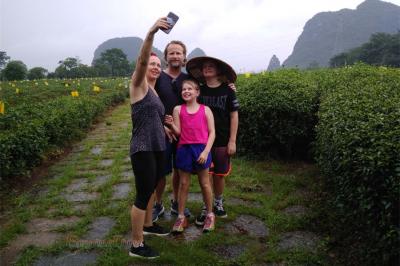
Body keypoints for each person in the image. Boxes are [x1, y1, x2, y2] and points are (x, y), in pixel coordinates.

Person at [128, 17, 170, 259]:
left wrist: (168, 127)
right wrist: (152, 32)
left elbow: (155, 119)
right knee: (143, 194)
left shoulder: (153, 91)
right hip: (142, 148)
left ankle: (148, 225)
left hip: (156, 146)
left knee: (153, 187)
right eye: (151, 63)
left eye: (158, 64)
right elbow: (142, 59)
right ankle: (136, 244)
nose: (155, 67)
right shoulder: (138, 85)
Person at [186, 56, 239, 225]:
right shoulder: (199, 91)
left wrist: (232, 140)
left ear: (218, 71)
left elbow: (234, 115)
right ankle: (206, 205)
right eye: (205, 67)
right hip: (203, 140)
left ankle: (218, 201)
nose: (207, 68)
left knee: (219, 175)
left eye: (211, 66)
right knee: (206, 175)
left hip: (223, 140)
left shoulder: (228, 91)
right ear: (201, 72)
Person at [164, 79, 216, 233]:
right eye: (183, 89)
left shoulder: (205, 110)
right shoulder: (178, 109)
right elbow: (178, 133)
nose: (186, 91)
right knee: (183, 184)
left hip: (201, 149)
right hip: (184, 149)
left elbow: (212, 132)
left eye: (190, 89)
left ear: (197, 92)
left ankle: (210, 214)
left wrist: (206, 151)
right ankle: (181, 216)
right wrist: (171, 125)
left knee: (205, 183)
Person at [152, 40, 191, 222]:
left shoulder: (188, 79)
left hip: (185, 133)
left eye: (179, 53)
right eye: (172, 53)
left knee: (180, 169)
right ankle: (158, 204)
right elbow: (148, 104)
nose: (175, 56)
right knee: (160, 171)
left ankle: (176, 202)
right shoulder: (157, 77)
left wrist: (229, 87)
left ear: (184, 57)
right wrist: (161, 125)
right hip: (163, 132)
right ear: (166, 57)